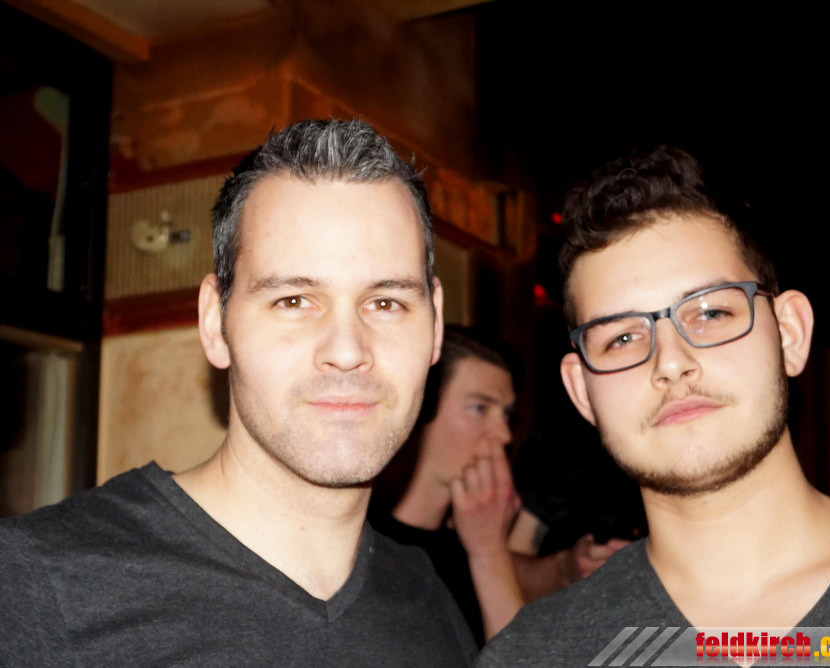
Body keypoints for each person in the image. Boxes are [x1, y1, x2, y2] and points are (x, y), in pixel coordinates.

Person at [477, 146, 830, 666]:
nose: (671, 362)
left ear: (789, 334)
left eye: (710, 313)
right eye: (622, 338)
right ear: (581, 391)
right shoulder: (531, 657)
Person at [0, 119, 477, 665]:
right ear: (215, 322)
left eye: (386, 303)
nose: (347, 350)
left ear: (435, 326)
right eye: (293, 300)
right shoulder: (36, 587)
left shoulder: (430, 602)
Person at [371, 326, 522, 645]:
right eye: (480, 408)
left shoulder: (467, 549)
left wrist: (491, 551)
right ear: (421, 407)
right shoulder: (360, 541)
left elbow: (519, 656)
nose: (503, 434)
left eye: (506, 415)